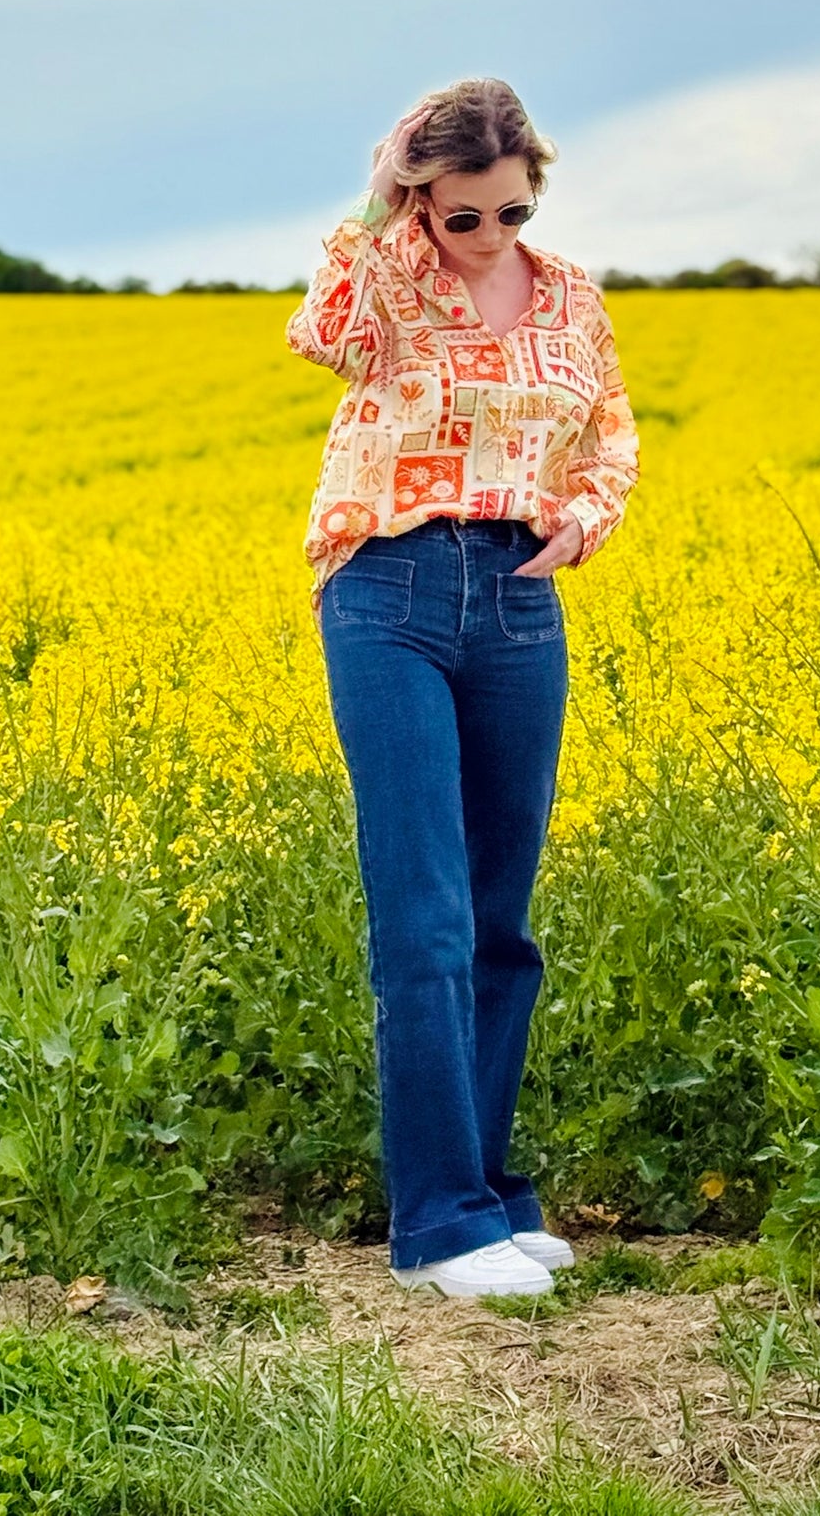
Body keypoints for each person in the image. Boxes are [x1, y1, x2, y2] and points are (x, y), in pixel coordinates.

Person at [284, 77, 640, 1298]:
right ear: (420, 202)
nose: (490, 237)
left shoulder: (572, 296)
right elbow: (324, 329)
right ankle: (437, 1225)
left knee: (500, 922)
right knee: (424, 917)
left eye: (511, 212)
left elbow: (608, 436)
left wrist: (584, 518)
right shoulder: (389, 277)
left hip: (516, 602)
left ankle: (485, 1198)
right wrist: (378, 208)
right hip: (387, 593)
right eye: (463, 216)